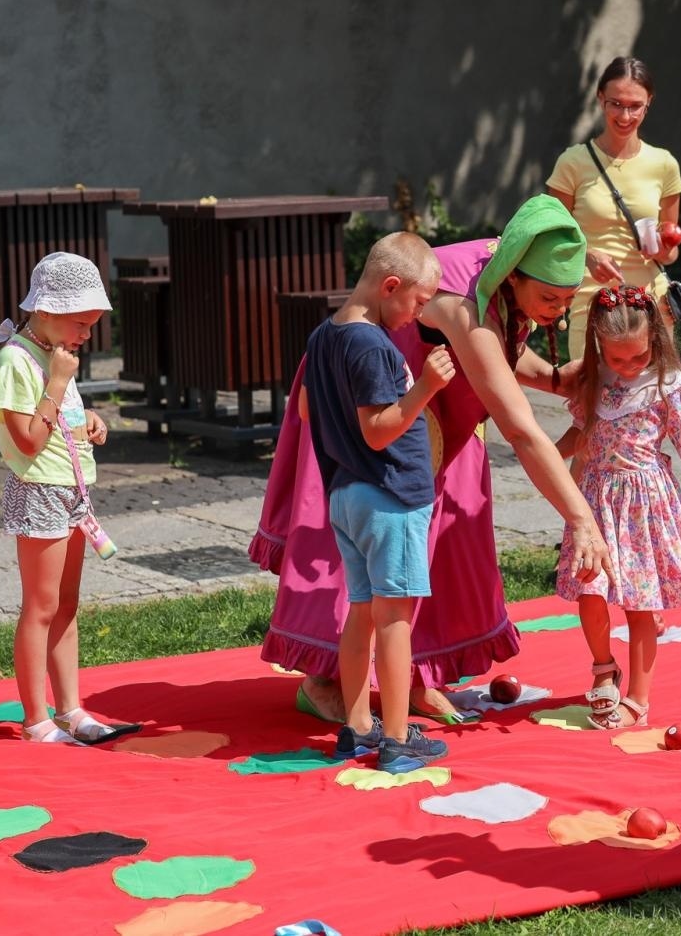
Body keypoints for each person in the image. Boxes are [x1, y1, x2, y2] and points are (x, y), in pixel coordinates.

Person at [252, 195, 615, 724]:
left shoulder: (516, 267)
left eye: (567, 300)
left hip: (432, 414)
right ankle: (328, 680)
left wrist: (580, 376)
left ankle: (416, 678)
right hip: (372, 417)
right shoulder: (456, 301)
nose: (558, 311)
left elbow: (504, 357)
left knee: (442, 548)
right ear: (513, 277)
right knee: (360, 564)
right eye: (550, 298)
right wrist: (580, 518)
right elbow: (518, 425)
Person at [553, 285, 681, 729]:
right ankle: (604, 668)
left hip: (643, 505)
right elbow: (579, 435)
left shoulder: (668, 386)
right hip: (596, 503)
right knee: (590, 590)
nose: (626, 368)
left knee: (639, 604)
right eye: (616, 359)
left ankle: (638, 698)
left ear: (656, 342)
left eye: (637, 358)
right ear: (599, 347)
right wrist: (544, 456)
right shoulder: (596, 381)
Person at [304, 232, 454, 772]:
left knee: (363, 612)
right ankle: (395, 738)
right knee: (395, 618)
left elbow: (305, 409)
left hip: (347, 493)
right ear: (390, 286)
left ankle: (357, 727)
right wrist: (425, 389)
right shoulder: (370, 344)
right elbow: (377, 431)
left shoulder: (325, 335)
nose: (417, 315)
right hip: (387, 495)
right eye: (416, 302)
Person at [0, 252, 125, 745]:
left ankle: (70, 709)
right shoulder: (17, 360)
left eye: (91, 324)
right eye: (81, 323)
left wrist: (87, 420)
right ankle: (35, 718)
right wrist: (60, 382)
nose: (87, 335)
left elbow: (56, 421)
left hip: (72, 491)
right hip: (38, 492)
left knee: (67, 604)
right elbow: (26, 438)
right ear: (47, 311)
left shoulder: (55, 356)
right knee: (40, 607)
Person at [547, 55, 681, 358]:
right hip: (592, 299)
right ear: (600, 99)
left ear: (649, 102)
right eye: (616, 104)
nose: (625, 116)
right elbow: (550, 237)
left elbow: (670, 250)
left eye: (635, 105)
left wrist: (664, 247)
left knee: (652, 401)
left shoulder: (664, 164)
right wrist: (588, 254)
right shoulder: (573, 163)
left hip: (650, 303)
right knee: (591, 397)